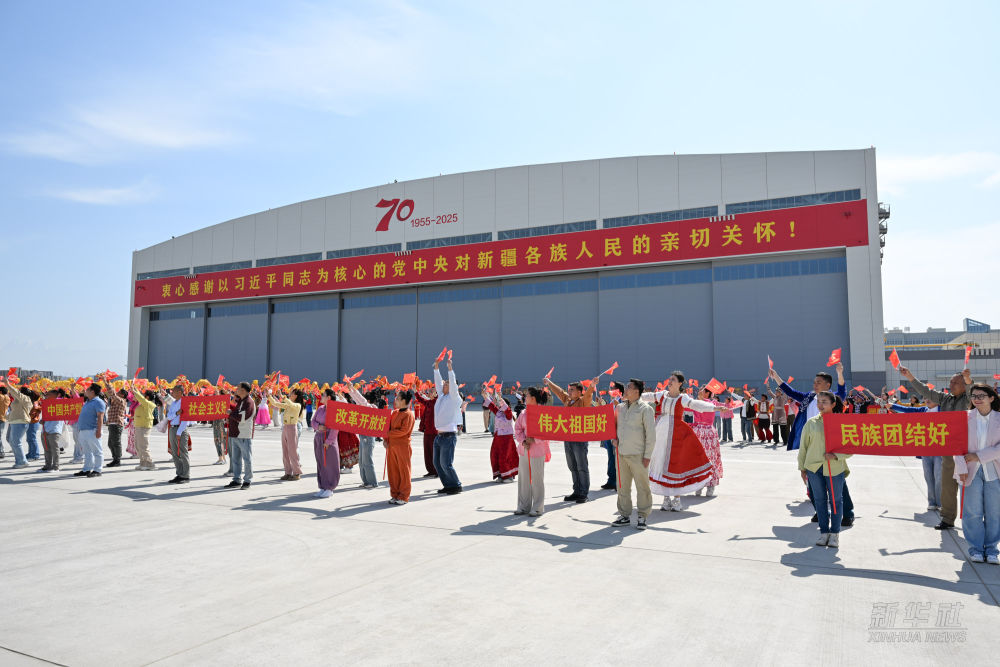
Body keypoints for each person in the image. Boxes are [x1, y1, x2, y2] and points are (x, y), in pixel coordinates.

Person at [770, 362, 854, 527]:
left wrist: (839, 373)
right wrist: (776, 376)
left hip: (831, 445)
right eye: (814, 382)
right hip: (811, 444)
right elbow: (790, 391)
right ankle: (820, 512)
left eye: (819, 382)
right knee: (813, 481)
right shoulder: (808, 398)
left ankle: (847, 513)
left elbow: (842, 391)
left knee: (838, 482)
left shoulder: (833, 399)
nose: (815, 384)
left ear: (827, 385)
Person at [900, 364, 973, 531]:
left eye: (955, 383)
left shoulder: (969, 399)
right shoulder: (945, 399)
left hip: (967, 452)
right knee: (947, 487)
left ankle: (972, 523)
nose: (951, 385)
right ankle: (947, 519)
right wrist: (909, 376)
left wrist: (969, 380)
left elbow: (971, 391)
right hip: (948, 451)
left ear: (964, 385)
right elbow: (926, 391)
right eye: (951, 382)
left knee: (970, 489)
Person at [644, 371, 715, 511]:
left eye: (673, 379)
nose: (670, 381)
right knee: (660, 464)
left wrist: (715, 407)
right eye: (669, 379)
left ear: (680, 383)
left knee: (675, 466)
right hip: (660, 433)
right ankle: (666, 499)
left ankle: (676, 499)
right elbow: (646, 396)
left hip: (676, 435)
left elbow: (697, 405)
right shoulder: (662, 395)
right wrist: (631, 395)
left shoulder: (682, 398)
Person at [797, 391, 851, 548]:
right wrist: (802, 468)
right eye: (819, 402)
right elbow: (803, 447)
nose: (820, 405)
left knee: (836, 501)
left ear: (833, 404)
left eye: (824, 402)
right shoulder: (811, 423)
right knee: (820, 501)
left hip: (834, 468)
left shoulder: (841, 423)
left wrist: (835, 455)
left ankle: (835, 534)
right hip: (814, 468)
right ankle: (824, 533)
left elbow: (850, 447)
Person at [954, 383, 1000, 563]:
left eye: (981, 396)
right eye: (974, 396)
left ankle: (992, 550)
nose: (977, 399)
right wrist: (961, 468)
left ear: (991, 398)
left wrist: (979, 456)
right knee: (972, 512)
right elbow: (956, 445)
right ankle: (976, 549)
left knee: (994, 512)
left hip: (994, 470)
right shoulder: (964, 418)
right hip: (969, 471)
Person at [544, 374, 600, 503]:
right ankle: (576, 491)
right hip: (568, 438)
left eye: (572, 390)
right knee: (572, 466)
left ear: (579, 392)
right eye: (569, 389)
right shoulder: (568, 401)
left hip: (580, 439)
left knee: (581, 466)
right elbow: (559, 392)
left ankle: (583, 493)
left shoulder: (583, 402)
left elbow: (588, 395)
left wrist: (592, 385)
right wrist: (549, 383)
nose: (569, 392)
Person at [610, 378, 656, 529]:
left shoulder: (645, 409)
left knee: (642, 487)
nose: (626, 389)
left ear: (637, 391)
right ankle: (624, 515)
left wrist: (647, 456)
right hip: (621, 454)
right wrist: (613, 439)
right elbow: (613, 427)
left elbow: (651, 435)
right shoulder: (620, 408)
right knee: (622, 487)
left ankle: (642, 516)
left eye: (629, 387)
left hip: (638, 455)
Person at [883, 396, 941, 510]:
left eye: (930, 397)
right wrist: (893, 406)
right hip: (926, 450)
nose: (927, 400)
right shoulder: (923, 410)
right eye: (925, 398)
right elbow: (908, 410)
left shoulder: (944, 410)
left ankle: (940, 503)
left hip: (940, 451)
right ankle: (932, 502)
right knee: (928, 477)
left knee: (939, 477)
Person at [513, 386, 551, 517]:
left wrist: (534, 439)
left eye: (527, 395)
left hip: (537, 450)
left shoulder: (543, 413)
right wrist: (523, 441)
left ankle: (538, 507)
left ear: (533, 398)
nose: (525, 397)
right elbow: (517, 429)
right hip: (524, 450)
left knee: (537, 479)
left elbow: (547, 431)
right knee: (523, 478)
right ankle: (523, 506)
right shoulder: (523, 413)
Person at [432, 356, 464, 494]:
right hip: (439, 436)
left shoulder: (454, 398)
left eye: (447, 383)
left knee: (446, 464)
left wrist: (450, 369)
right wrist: (436, 368)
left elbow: (453, 385)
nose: (444, 384)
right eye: (444, 383)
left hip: (449, 436)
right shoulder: (441, 396)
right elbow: (438, 382)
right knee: (437, 464)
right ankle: (448, 485)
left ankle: (456, 485)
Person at [386, 389, 416, 504]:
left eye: (398, 399)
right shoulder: (395, 413)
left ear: (404, 401)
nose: (395, 400)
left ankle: (404, 496)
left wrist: (388, 434)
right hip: (391, 446)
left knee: (404, 471)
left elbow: (404, 431)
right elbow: (387, 427)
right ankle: (395, 494)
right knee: (393, 471)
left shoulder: (408, 414)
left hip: (403, 446)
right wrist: (385, 439)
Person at [692, 387, 724, 496]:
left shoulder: (712, 403)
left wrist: (701, 400)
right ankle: (699, 484)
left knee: (710, 458)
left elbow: (713, 406)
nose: (699, 392)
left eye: (702, 390)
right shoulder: (695, 403)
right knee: (697, 460)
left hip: (708, 433)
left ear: (708, 393)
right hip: (697, 432)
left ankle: (711, 485)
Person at [225, 382, 256, 490]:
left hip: (244, 435)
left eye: (238, 388)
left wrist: (231, 413)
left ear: (243, 390)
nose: (236, 389)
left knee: (247, 459)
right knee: (236, 459)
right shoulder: (241, 401)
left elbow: (242, 417)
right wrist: (231, 416)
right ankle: (237, 479)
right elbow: (237, 415)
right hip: (235, 434)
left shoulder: (249, 402)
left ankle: (247, 480)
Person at [309, 388, 340, 497]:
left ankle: (330, 487)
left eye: (323, 395)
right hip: (318, 438)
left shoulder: (334, 410)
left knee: (329, 464)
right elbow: (312, 421)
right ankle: (322, 486)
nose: (321, 396)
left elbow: (335, 427)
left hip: (328, 440)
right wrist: (318, 426)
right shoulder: (320, 408)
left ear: (329, 397)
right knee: (321, 463)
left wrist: (328, 441)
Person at [349, 384, 381, 489]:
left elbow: (361, 401)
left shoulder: (372, 408)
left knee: (367, 460)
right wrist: (351, 391)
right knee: (362, 461)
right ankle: (366, 481)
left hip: (369, 437)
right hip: (363, 436)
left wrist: (353, 389)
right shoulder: (364, 406)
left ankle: (373, 482)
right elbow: (358, 401)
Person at [269, 389, 305, 481]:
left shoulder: (298, 405)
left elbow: (291, 404)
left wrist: (283, 396)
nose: (290, 394)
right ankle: (288, 472)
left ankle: (296, 473)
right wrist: (269, 396)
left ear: (295, 396)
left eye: (291, 393)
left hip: (292, 428)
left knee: (292, 451)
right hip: (285, 428)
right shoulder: (288, 404)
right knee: (285, 451)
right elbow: (276, 404)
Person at [483, 389, 518, 483]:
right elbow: (491, 406)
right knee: (495, 456)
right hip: (498, 438)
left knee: (504, 457)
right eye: (499, 404)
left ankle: (508, 476)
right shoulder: (498, 413)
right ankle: (501, 475)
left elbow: (506, 409)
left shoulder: (509, 414)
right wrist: (485, 396)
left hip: (506, 439)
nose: (499, 405)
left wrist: (499, 398)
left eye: (501, 404)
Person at [162, 385, 192, 483]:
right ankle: (179, 474)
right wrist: (176, 414)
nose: (172, 393)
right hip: (172, 428)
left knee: (183, 453)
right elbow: (169, 416)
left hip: (180, 429)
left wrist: (179, 432)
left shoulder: (184, 402)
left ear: (179, 392)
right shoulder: (174, 403)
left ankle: (186, 475)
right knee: (175, 453)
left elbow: (185, 419)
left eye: (173, 391)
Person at [76, 383, 106, 478]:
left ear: (92, 391)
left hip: (92, 430)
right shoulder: (88, 402)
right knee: (87, 452)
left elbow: (100, 417)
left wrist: (99, 430)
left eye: (87, 389)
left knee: (97, 451)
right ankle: (87, 469)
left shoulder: (99, 402)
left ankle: (98, 470)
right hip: (84, 430)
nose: (86, 391)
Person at [600, 382, 624, 489]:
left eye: (613, 388)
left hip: (618, 433)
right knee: (611, 457)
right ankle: (611, 480)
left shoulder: (623, 401)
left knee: (618, 458)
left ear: (618, 390)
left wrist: (618, 405)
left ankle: (619, 481)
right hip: (610, 432)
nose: (611, 390)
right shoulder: (611, 401)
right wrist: (601, 404)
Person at [128, 381, 157, 471]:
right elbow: (141, 399)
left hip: (144, 427)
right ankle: (143, 462)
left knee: (143, 446)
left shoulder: (149, 404)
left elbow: (141, 398)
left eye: (144, 395)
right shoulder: (143, 404)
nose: (142, 396)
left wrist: (134, 391)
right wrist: (134, 388)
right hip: (139, 426)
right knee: (138, 445)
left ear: (147, 397)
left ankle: (150, 463)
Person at [4, 384, 35, 468]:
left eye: (20, 390)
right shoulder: (19, 400)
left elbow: (16, 393)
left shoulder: (26, 399)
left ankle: (22, 461)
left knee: (16, 442)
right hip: (15, 421)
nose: (18, 391)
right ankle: (20, 460)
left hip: (20, 422)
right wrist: (6, 416)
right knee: (12, 441)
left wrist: (7, 384)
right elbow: (15, 411)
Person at [413, 385, 439, 478]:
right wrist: (415, 391)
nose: (429, 393)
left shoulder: (438, 403)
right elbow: (421, 399)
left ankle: (437, 470)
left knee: (434, 452)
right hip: (427, 431)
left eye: (432, 391)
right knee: (427, 452)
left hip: (434, 432)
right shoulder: (428, 402)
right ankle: (430, 470)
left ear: (436, 394)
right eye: (429, 391)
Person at [102, 383, 128, 467]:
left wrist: (106, 383)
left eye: (119, 392)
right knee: (110, 443)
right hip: (112, 424)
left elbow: (112, 394)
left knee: (116, 443)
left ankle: (117, 460)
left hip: (116, 424)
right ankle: (115, 458)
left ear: (122, 395)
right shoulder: (116, 401)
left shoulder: (121, 401)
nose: (117, 393)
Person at [40, 390, 65, 471]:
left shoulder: (59, 404)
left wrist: (48, 430)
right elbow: (45, 417)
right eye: (46, 394)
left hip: (53, 431)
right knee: (46, 449)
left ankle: (55, 466)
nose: (46, 396)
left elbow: (56, 421)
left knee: (54, 449)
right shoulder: (47, 404)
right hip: (45, 430)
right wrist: (42, 421)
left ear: (56, 395)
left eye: (49, 394)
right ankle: (47, 465)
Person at [0, 385, 9, 459]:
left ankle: (1, 452)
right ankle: (1, 451)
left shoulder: (1, 397)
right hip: (3, 418)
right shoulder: (7, 398)